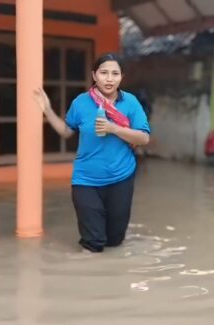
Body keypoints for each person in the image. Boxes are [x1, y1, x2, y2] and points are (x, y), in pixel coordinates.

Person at [33, 53, 151, 253]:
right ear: (94, 75)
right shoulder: (81, 102)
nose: (109, 78)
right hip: (85, 179)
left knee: (114, 242)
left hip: (121, 178)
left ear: (121, 77)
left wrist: (113, 129)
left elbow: (144, 138)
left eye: (115, 73)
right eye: (103, 73)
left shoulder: (130, 103)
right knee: (93, 242)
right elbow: (66, 131)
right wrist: (47, 110)